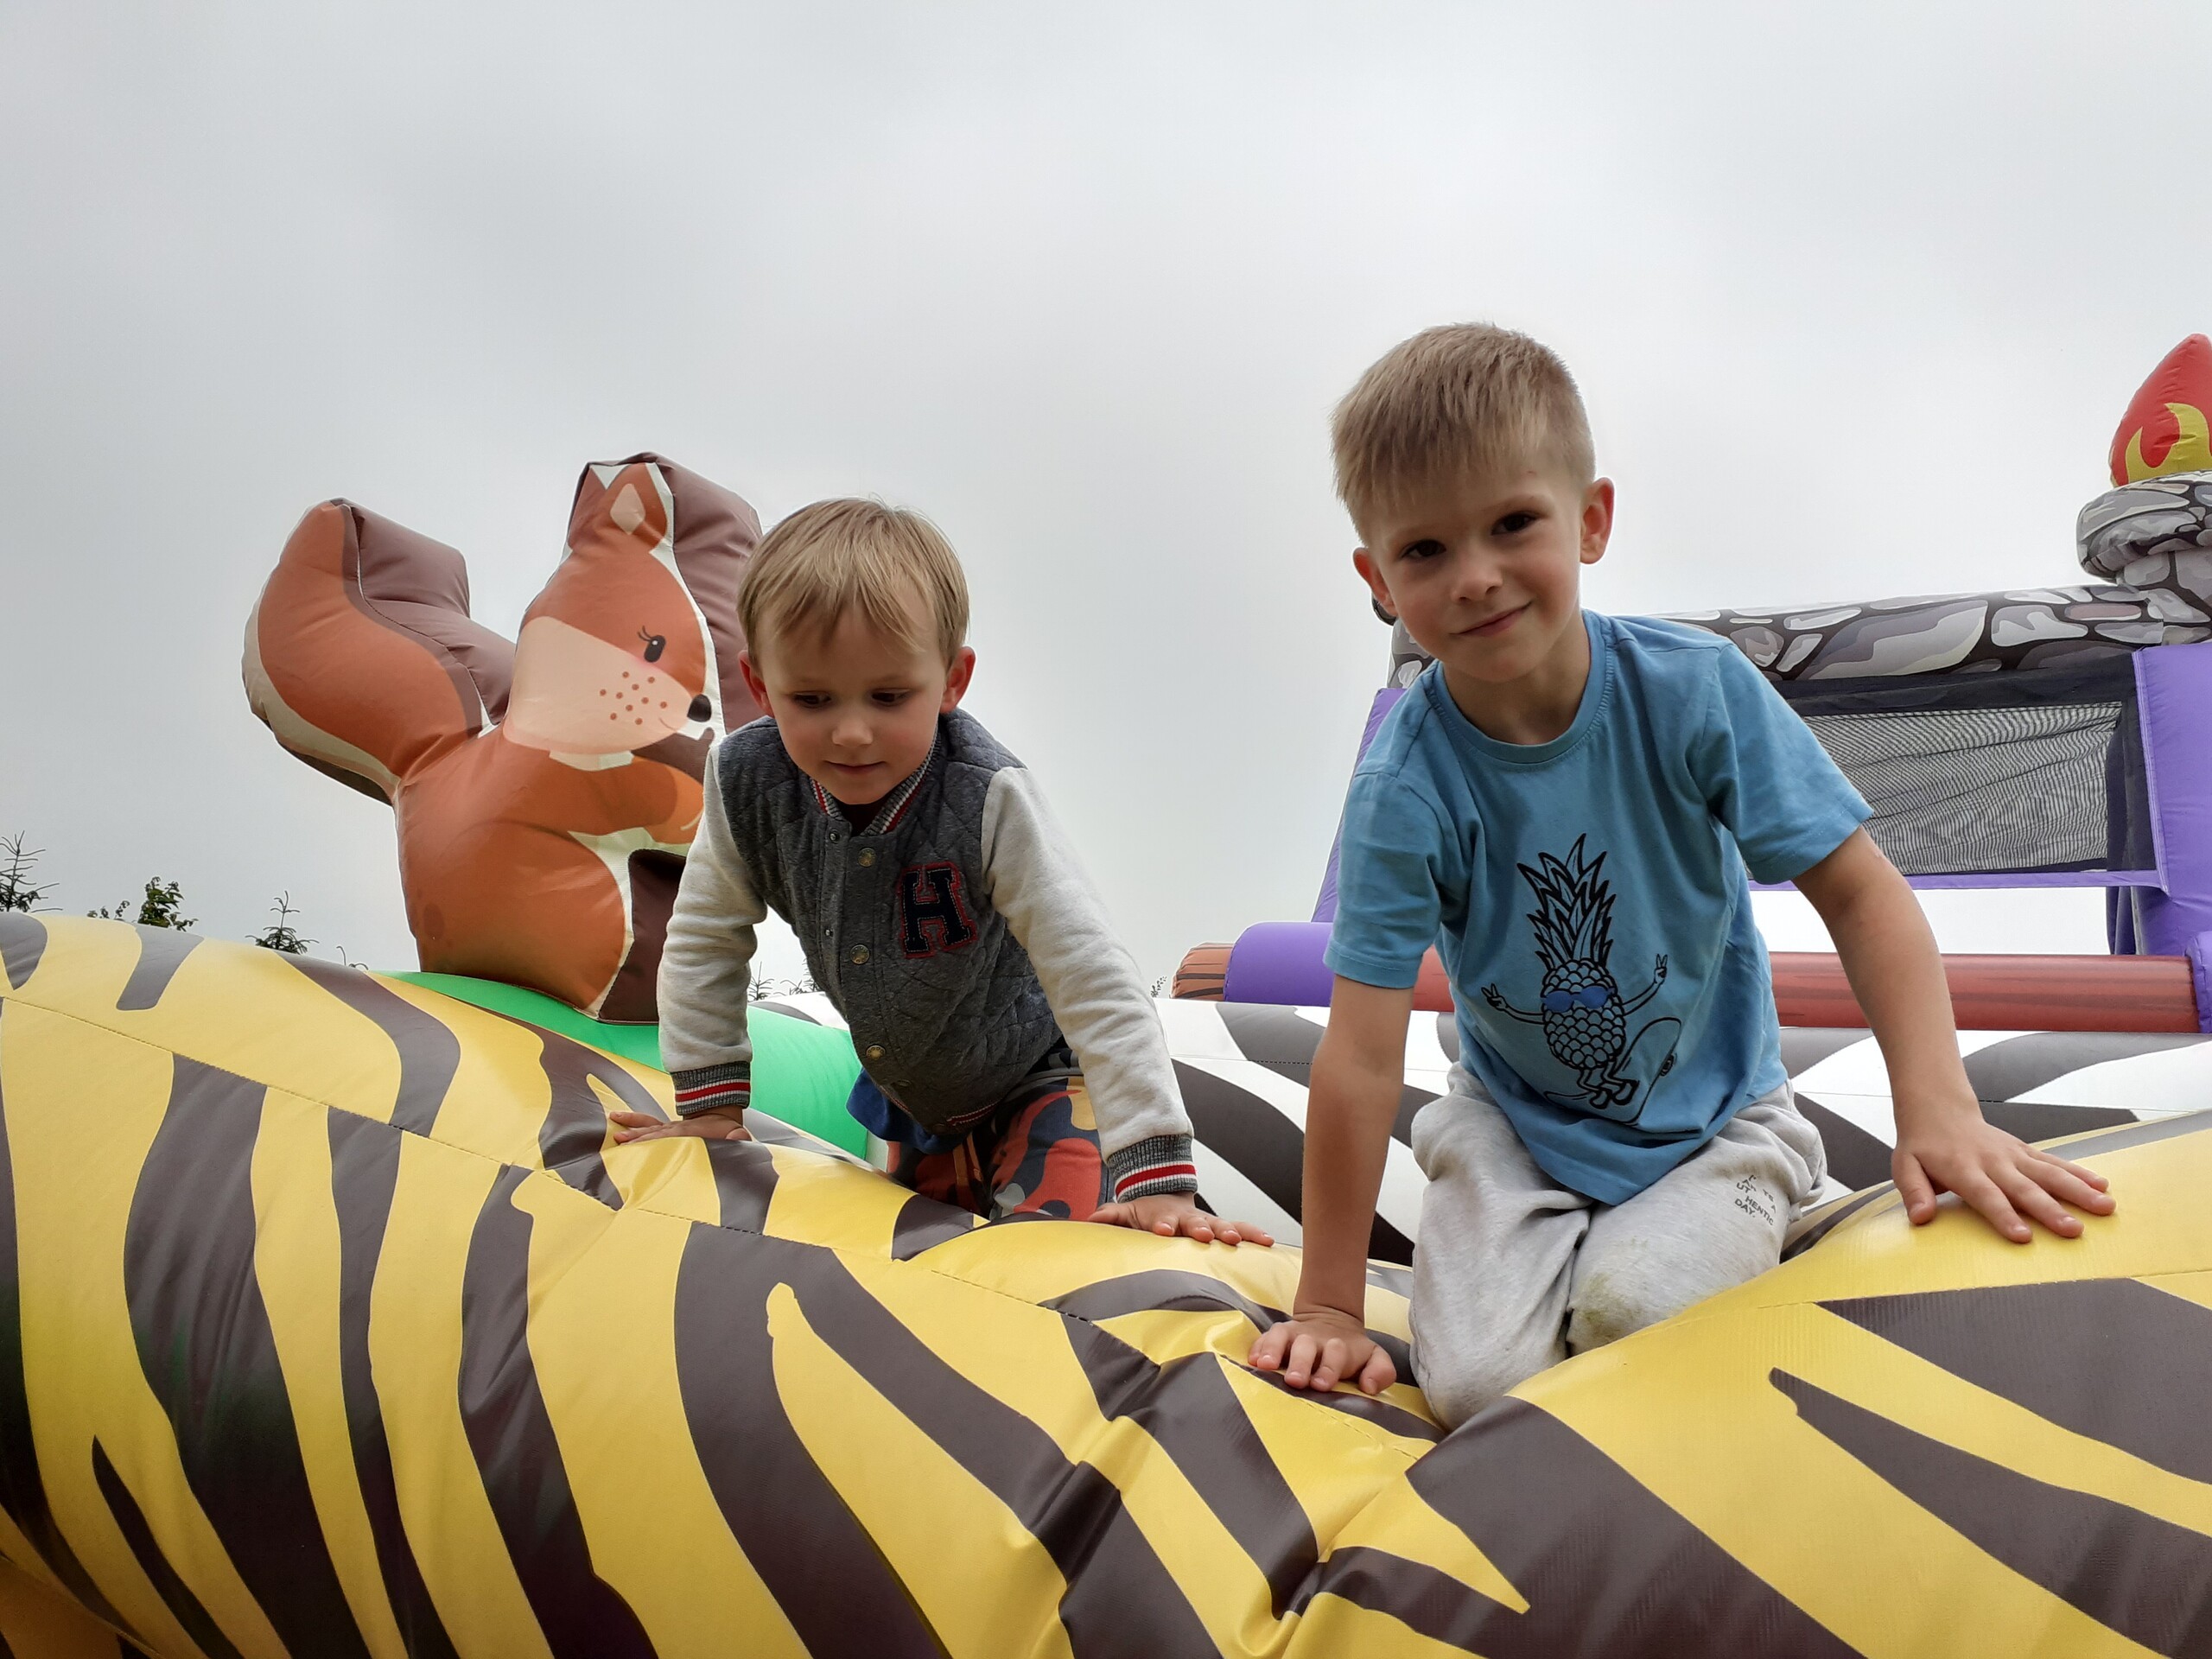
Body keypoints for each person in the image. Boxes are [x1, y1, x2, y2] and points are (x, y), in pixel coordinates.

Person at [1249, 324, 2113, 1427]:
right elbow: (1362, 1052)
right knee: (1474, 1391)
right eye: (1424, 550)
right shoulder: (1404, 785)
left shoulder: (1689, 692)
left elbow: (1861, 895)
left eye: (1512, 524)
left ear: (1590, 519)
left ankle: (1777, 1178)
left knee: (1640, 1315)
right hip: (1513, 1121)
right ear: (1377, 579)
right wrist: (1327, 1303)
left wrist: (1937, 1111)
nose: (1474, 577)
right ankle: (1536, 1225)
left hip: (1713, 1116)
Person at [612, 498, 1268, 1247]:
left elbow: (1090, 970)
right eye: (812, 699)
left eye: (889, 697)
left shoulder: (986, 795)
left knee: (1058, 1253)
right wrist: (710, 1111)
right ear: (760, 687)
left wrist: (1156, 1175)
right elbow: (705, 938)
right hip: (916, 1109)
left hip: (1040, 1077)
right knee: (923, 1265)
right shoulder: (747, 781)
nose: (851, 732)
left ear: (952, 680)